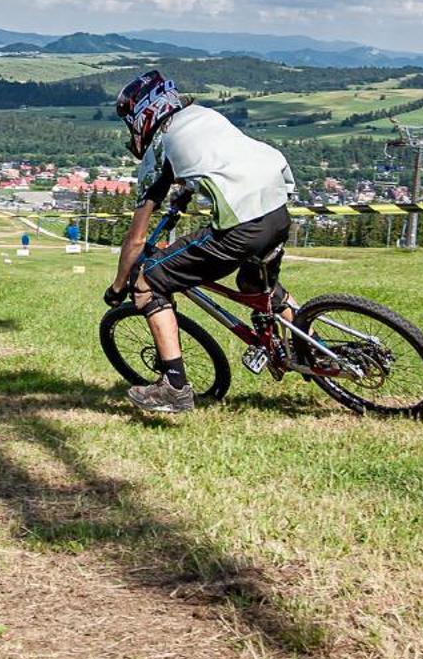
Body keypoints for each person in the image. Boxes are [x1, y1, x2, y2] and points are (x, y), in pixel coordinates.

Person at [104, 71, 298, 413]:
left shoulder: (160, 144)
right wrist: (182, 197)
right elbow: (217, 166)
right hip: (278, 211)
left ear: (142, 116)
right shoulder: (204, 116)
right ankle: (306, 347)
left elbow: (135, 239)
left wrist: (119, 286)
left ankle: (174, 387)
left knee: (148, 282)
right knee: (256, 286)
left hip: (242, 226)